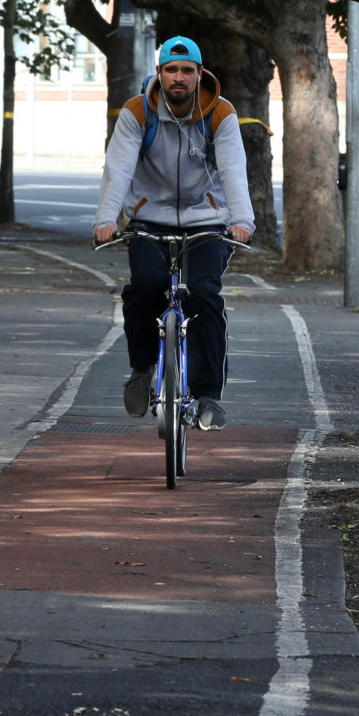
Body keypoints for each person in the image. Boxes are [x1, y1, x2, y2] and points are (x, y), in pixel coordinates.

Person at [93, 36, 254, 430]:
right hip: (150, 219)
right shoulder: (137, 112)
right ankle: (142, 370)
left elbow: (233, 170)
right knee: (145, 287)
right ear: (159, 72)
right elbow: (119, 170)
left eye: (187, 70)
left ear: (200, 75)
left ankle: (208, 396)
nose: (178, 78)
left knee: (203, 294)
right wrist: (105, 220)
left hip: (206, 222)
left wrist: (242, 221)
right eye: (171, 69)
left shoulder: (221, 114)